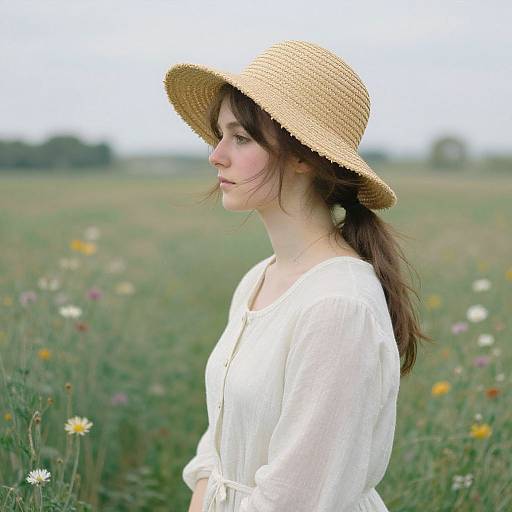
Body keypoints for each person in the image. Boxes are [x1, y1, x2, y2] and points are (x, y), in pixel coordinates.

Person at [163, 40, 433, 512]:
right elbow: (220, 449)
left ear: (304, 157)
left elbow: (296, 499)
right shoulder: (258, 280)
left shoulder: (337, 306)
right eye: (219, 134)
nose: (216, 155)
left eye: (240, 138)